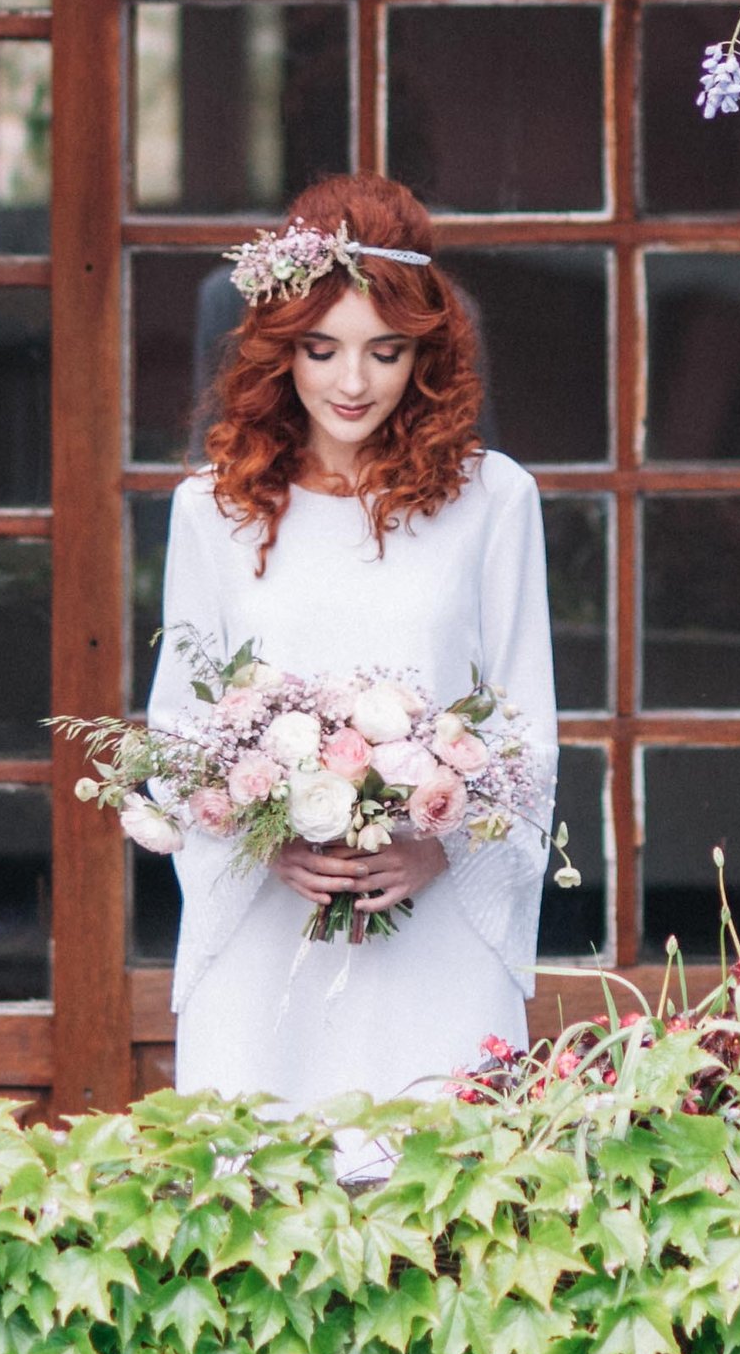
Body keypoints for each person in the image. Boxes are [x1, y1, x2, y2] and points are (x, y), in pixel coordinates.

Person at [151, 174, 557, 1107]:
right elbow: (179, 726)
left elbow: (528, 729)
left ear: (426, 351)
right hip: (267, 942)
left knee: (448, 1200)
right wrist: (261, 835)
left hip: (438, 931)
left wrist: (437, 848)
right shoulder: (211, 513)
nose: (351, 381)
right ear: (280, 349)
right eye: (321, 348)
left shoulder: (496, 502)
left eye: (385, 350)